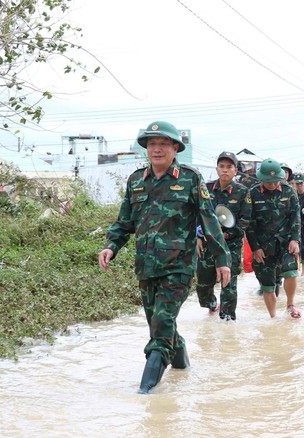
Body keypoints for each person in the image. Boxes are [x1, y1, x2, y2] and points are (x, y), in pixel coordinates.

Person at [98, 121, 231, 394]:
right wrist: (112, 246)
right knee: (160, 322)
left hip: (178, 267)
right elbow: (124, 221)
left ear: (175, 148)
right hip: (146, 267)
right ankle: (182, 367)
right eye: (151, 144)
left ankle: (144, 393)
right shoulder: (136, 180)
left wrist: (222, 259)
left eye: (162, 144)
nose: (156, 149)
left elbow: (209, 221)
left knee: (160, 329)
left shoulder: (190, 179)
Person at [196, 151, 251, 321]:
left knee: (229, 284)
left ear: (235, 171)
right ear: (217, 169)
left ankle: (227, 320)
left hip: (231, 245)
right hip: (207, 244)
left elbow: (245, 220)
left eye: (229, 167)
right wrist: (198, 236)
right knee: (203, 284)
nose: (225, 170)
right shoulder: (205, 189)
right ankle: (211, 304)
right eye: (221, 166)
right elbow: (197, 214)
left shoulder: (242, 192)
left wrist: (226, 235)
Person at [246, 158, 302, 318]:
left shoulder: (289, 192)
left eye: (275, 181)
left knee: (291, 272)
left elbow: (295, 216)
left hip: (286, 242)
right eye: (268, 181)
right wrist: (255, 247)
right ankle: (273, 317)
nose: (272, 184)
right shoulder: (253, 194)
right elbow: (249, 223)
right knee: (268, 285)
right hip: (263, 246)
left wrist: (295, 239)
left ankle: (290, 305)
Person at [293, 174, 304, 276]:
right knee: (294, 248)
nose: (299, 186)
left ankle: (303, 273)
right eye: (297, 184)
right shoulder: (292, 195)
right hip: (294, 225)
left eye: (301, 183)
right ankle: (296, 269)